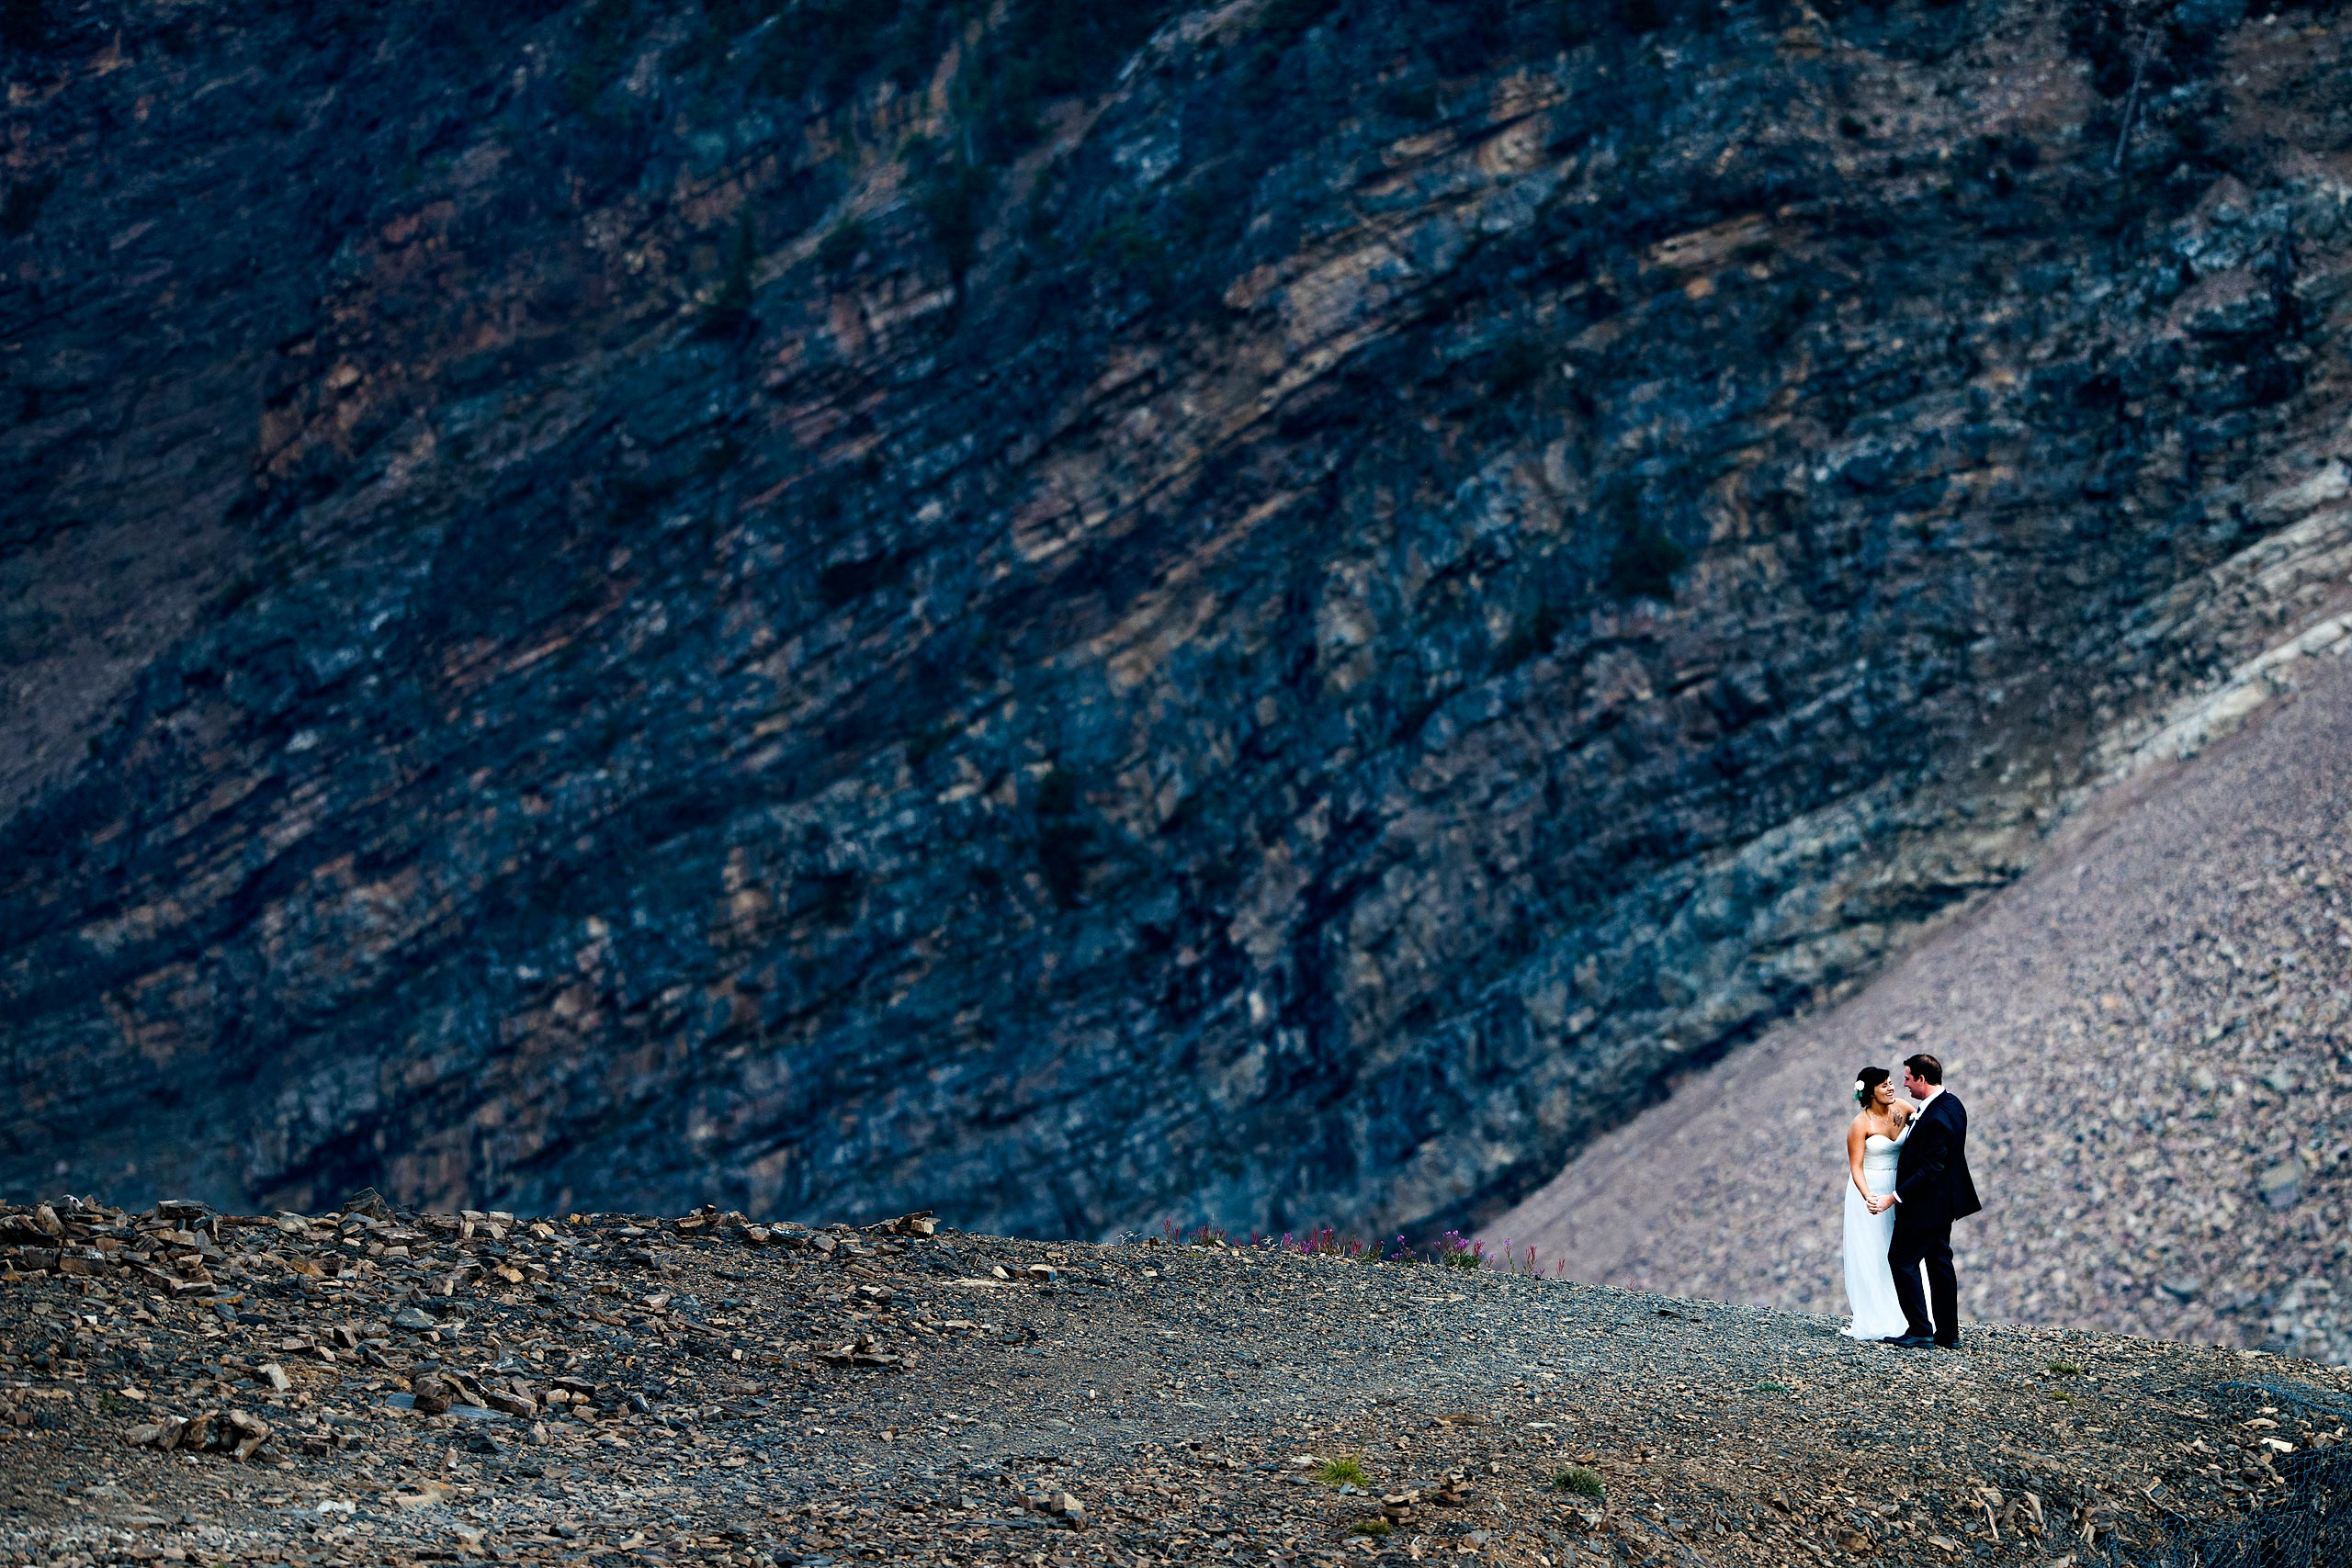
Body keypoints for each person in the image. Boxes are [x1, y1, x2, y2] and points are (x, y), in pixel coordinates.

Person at [1867, 1052, 1982, 1348]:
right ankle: (1947, 1334)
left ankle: (1920, 1329)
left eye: (1907, 1078)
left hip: (1924, 1207)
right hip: (1944, 1205)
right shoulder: (1952, 1104)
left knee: (1901, 1260)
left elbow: (1931, 1168)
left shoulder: (1937, 1118)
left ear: (1921, 1078)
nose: (1903, 1084)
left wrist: (1893, 1197)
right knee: (1939, 1263)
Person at [1839, 1066, 1914, 1340]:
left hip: (1898, 1189)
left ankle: (1910, 1314)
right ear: (1870, 1091)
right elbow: (1856, 1166)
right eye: (1884, 1085)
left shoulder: (1904, 1108)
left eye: (1891, 1083)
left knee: (1901, 1249)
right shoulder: (1860, 1124)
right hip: (1871, 1188)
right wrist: (1867, 1195)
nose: (1891, 1088)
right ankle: (1879, 1316)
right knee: (1874, 1250)